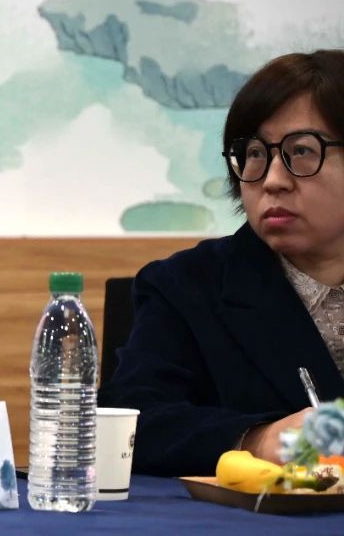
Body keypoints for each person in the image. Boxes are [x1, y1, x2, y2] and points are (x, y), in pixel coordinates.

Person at [102, 49, 344, 476]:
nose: (272, 180)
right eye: (255, 153)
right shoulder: (185, 287)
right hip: (259, 515)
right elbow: (133, 421)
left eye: (302, 151)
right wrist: (258, 440)